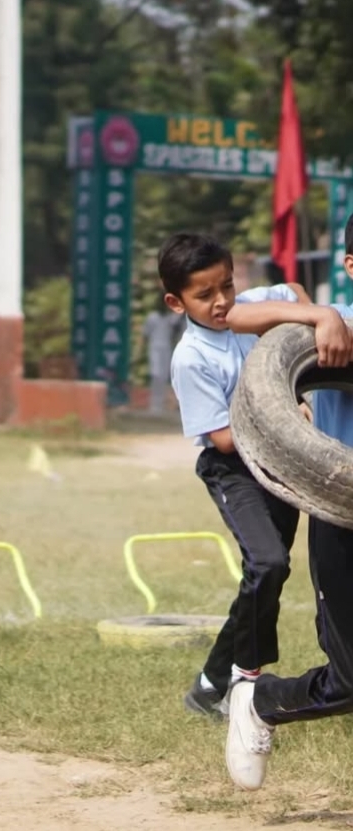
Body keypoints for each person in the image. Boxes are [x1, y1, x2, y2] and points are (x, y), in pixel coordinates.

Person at [160, 232, 343, 720]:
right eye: (205, 295)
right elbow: (220, 437)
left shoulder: (251, 306)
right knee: (267, 564)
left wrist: (315, 317)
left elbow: (296, 297)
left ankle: (208, 685)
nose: (221, 302)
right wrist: (283, 417)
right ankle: (246, 680)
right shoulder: (192, 357)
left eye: (227, 286)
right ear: (176, 303)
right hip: (235, 468)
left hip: (281, 464)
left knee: (270, 572)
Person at [220, 218, 353, 790]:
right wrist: (320, 315)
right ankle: (259, 701)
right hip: (343, 517)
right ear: (350, 264)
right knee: (351, 680)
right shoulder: (338, 326)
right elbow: (235, 315)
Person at [142, 299, 182, 414]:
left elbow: (178, 320)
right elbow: (145, 334)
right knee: (156, 375)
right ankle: (155, 403)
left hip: (166, 349)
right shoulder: (152, 317)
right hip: (155, 348)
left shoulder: (170, 319)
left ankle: (161, 403)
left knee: (164, 376)